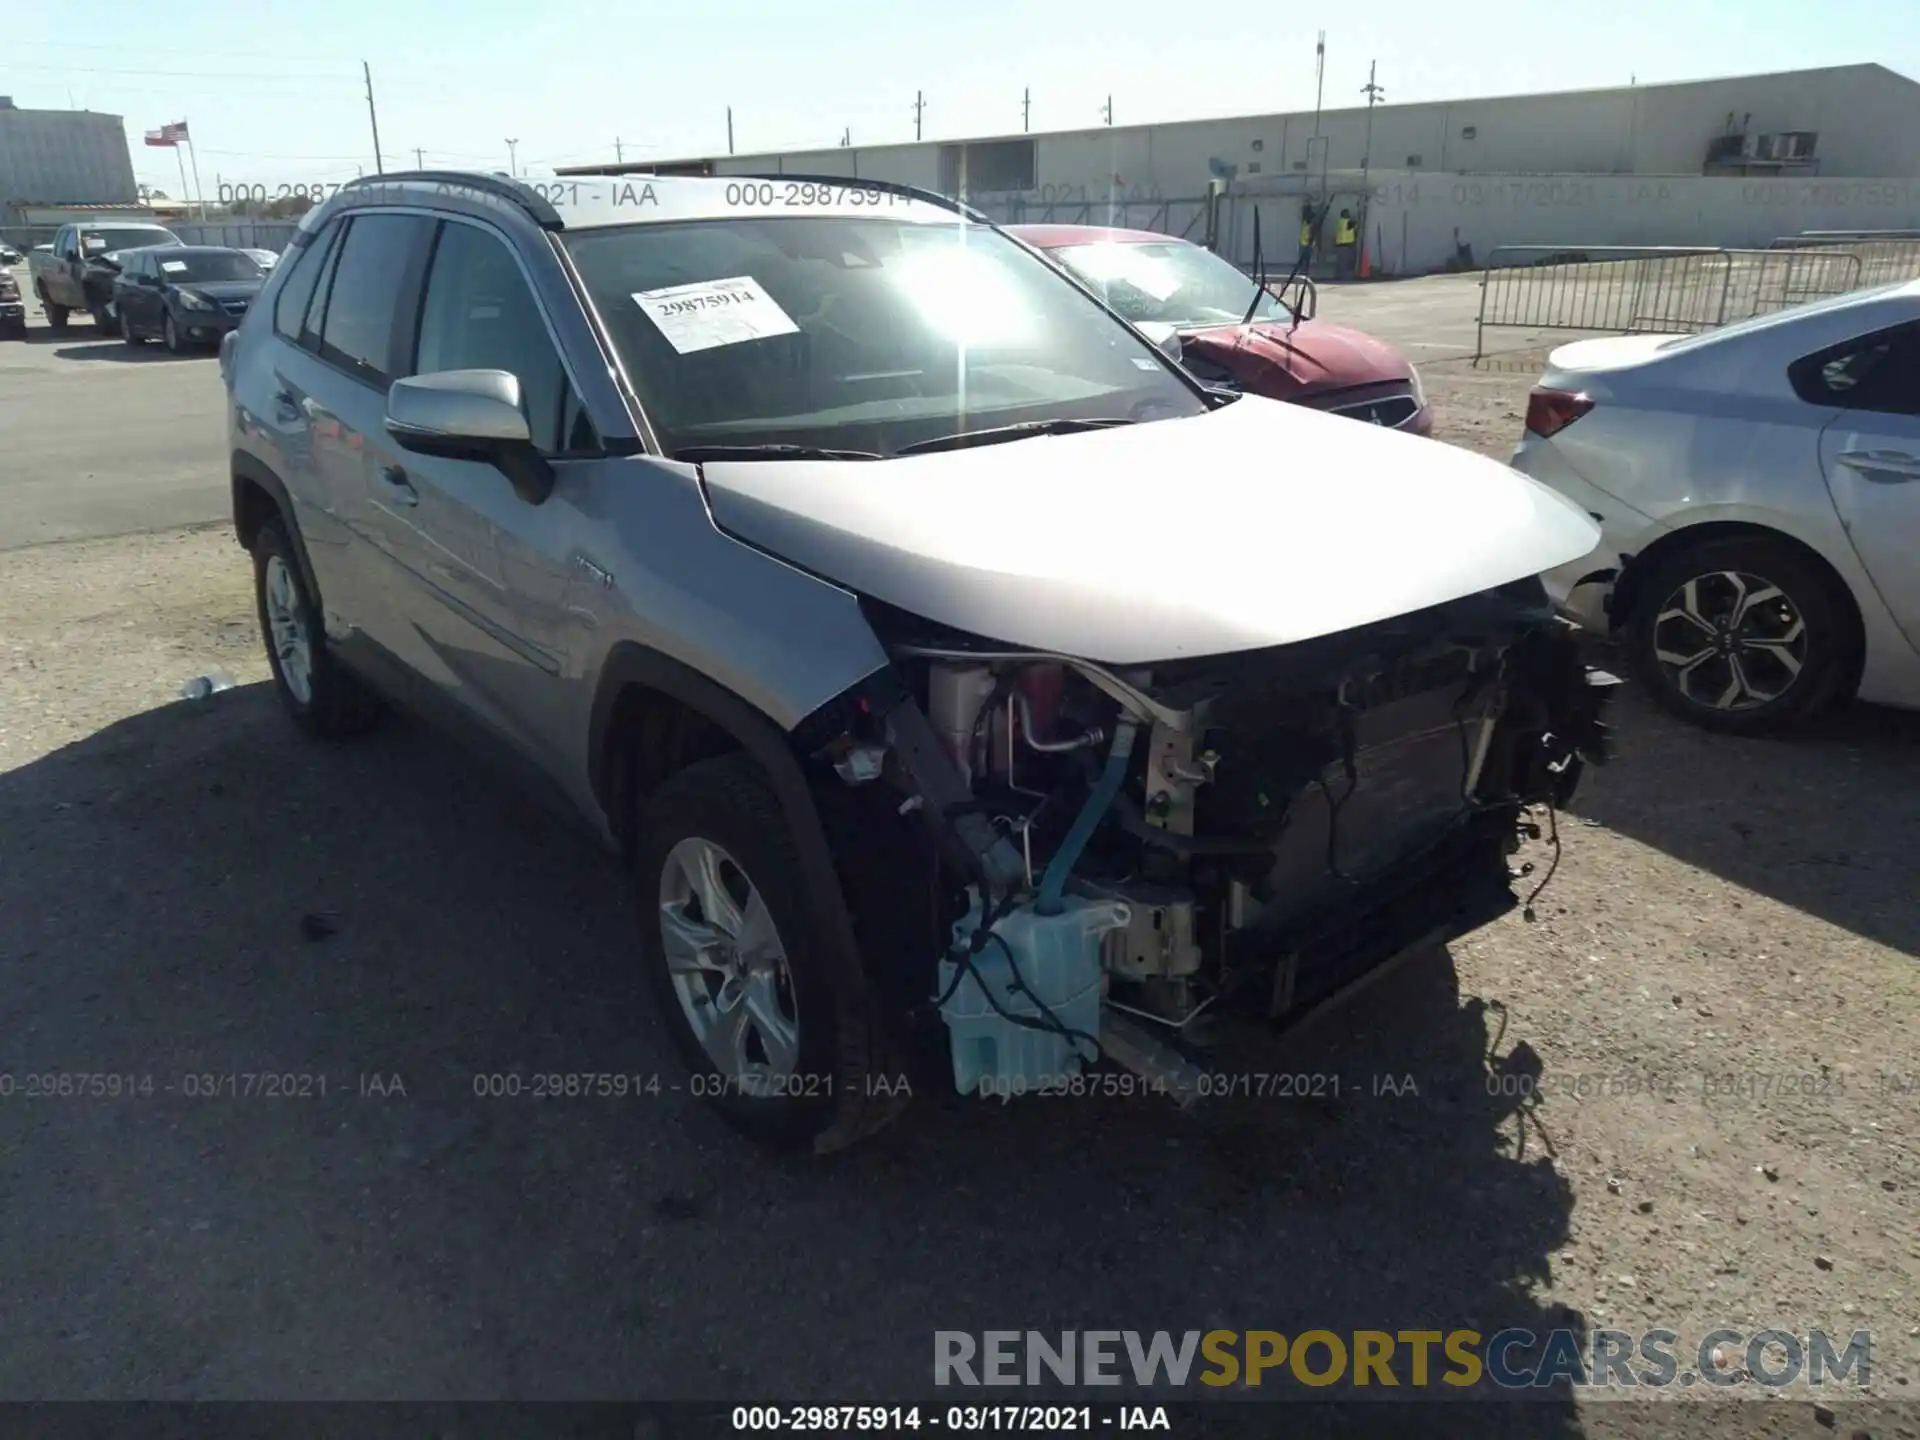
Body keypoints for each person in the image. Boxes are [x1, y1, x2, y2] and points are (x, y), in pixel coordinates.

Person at [1334, 208, 1358, 279]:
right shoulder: (1347, 222)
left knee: (1341, 261)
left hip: (1339, 244)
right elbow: (1355, 223)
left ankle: (1339, 275)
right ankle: (1344, 276)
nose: (1349, 215)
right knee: (1346, 261)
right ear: (1344, 214)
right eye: (1347, 213)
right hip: (1346, 244)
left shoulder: (1339, 222)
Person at [1298, 204, 1317, 271]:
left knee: (1306, 261)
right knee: (1304, 261)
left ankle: (1304, 273)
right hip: (1305, 244)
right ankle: (1303, 273)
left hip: (1307, 244)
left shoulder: (1308, 224)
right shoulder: (1306, 224)